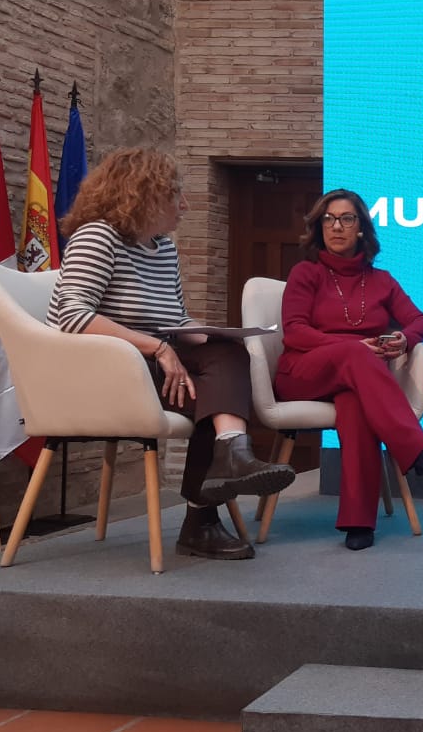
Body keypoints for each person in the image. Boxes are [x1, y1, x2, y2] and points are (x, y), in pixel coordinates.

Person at [48, 147, 295, 561]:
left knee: (225, 358)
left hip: (153, 365)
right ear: (141, 194)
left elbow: (172, 317)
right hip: (108, 371)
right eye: (175, 193)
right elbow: (70, 316)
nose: (184, 204)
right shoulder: (97, 236)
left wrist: (203, 333)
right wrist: (158, 346)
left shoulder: (162, 248)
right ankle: (205, 513)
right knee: (212, 391)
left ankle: (229, 452)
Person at [274, 190, 423, 551]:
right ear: (318, 227)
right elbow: (294, 331)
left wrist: (404, 339)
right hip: (303, 371)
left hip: (356, 378)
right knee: (359, 357)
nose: (336, 226)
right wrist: (350, 347)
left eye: (346, 219)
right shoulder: (306, 272)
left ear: (361, 228)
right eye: (329, 219)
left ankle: (359, 521)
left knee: (357, 405)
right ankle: (417, 449)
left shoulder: (381, 280)